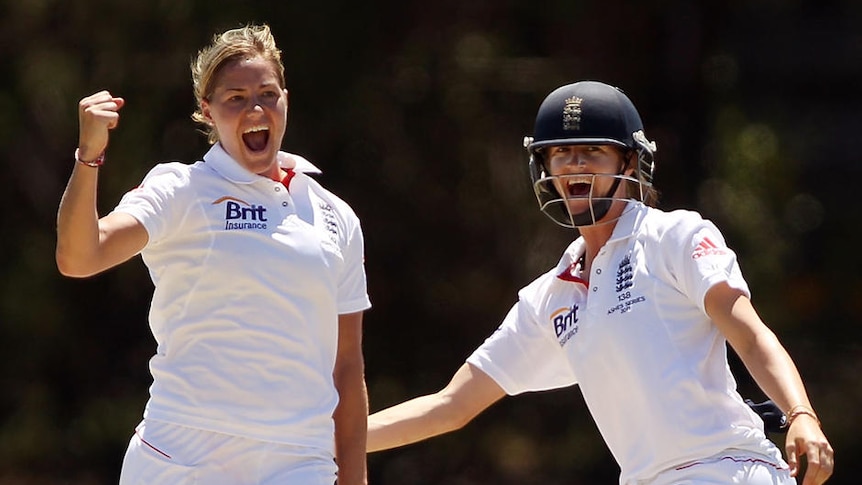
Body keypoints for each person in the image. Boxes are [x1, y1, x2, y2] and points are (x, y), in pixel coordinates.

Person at [367, 81, 834, 484]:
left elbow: (750, 335)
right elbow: (451, 406)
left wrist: (801, 414)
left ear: (629, 164)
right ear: (544, 168)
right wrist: (330, 441)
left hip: (728, 469)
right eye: (560, 153)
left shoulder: (674, 236)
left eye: (592, 150)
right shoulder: (548, 298)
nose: (574, 164)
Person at [56, 24, 370, 485]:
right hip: (184, 451)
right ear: (208, 110)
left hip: (299, 459)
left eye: (267, 93)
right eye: (235, 98)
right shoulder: (181, 188)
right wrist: (89, 157)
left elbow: (347, 365)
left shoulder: (334, 214)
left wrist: (355, 478)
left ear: (286, 98)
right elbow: (79, 258)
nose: (255, 108)